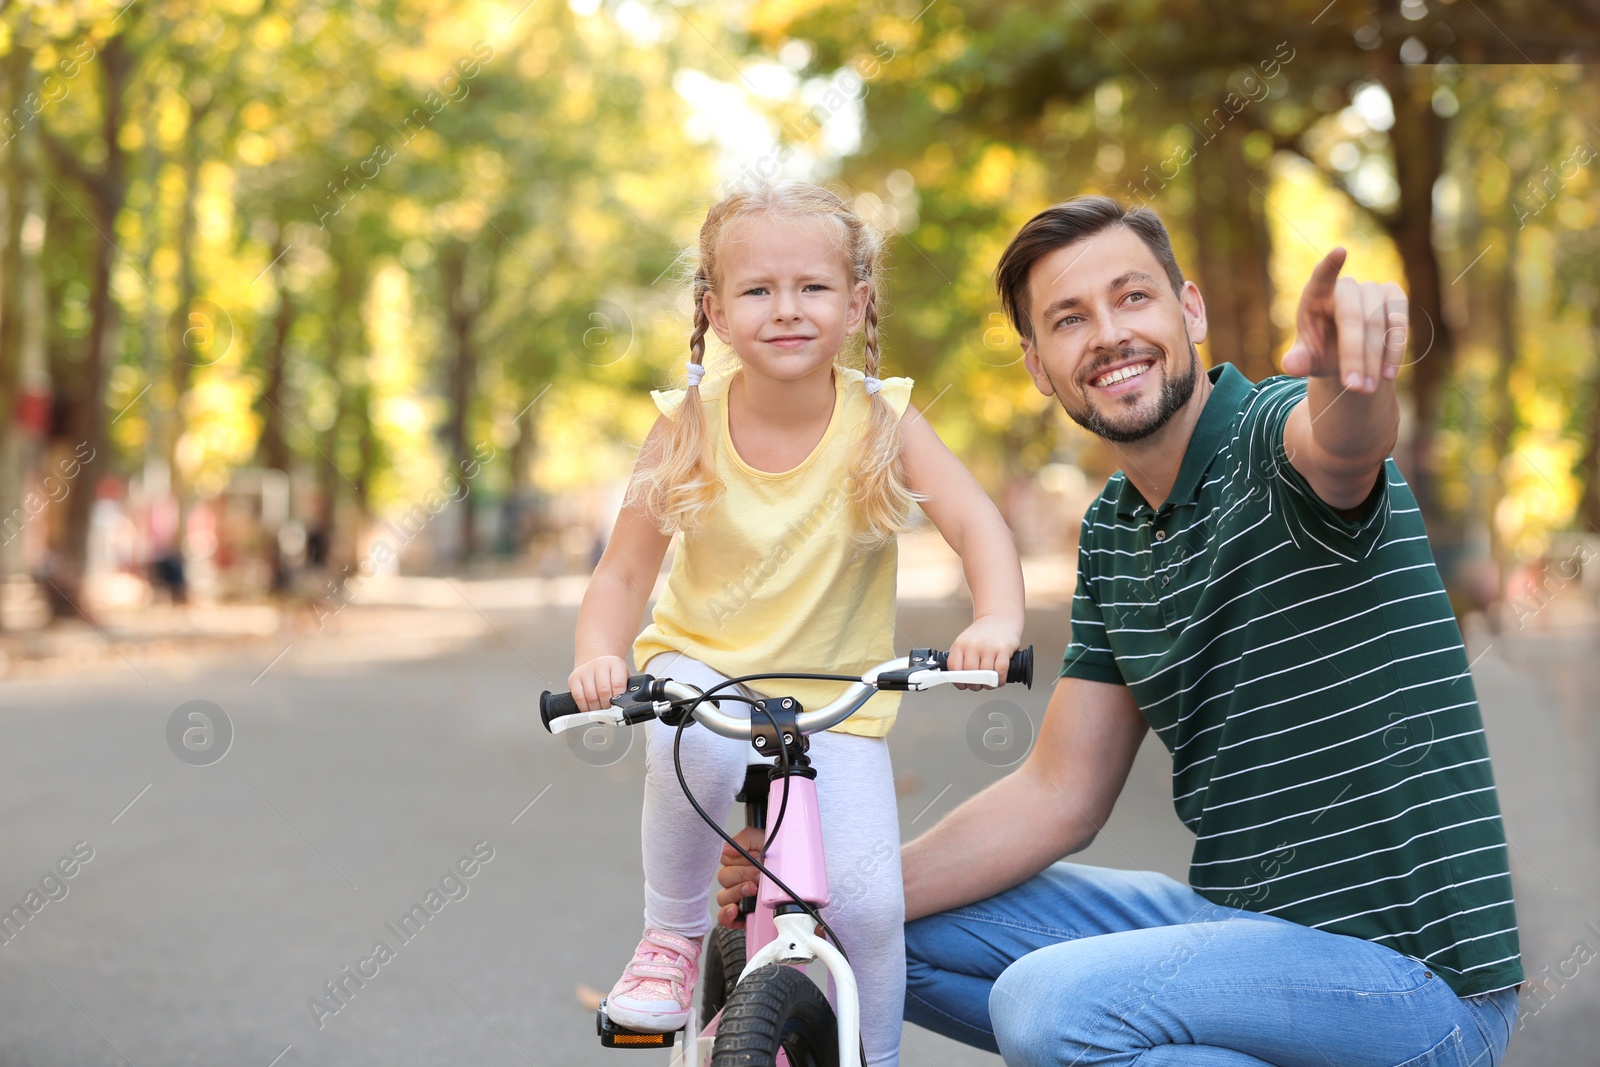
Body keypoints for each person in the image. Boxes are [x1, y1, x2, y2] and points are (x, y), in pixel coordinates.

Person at [717, 195, 1522, 1066]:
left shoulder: (1271, 436)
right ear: (1038, 363)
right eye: (1070, 318)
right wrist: (818, 889)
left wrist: (1351, 382)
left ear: (1191, 309)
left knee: (1049, 1002)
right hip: (1242, 933)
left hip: (1416, 987)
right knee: (875, 929)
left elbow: (1341, 447)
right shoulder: (1111, 530)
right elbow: (1059, 792)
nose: (1108, 333)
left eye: (1133, 298)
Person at [568, 181, 1025, 1067]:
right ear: (715, 311)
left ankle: (876, 1055)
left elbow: (977, 526)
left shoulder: (881, 420)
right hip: (705, 680)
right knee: (683, 738)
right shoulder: (685, 426)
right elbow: (624, 569)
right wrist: (598, 652)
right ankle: (672, 935)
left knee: (866, 906)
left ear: (856, 304)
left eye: (812, 288)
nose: (786, 310)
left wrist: (997, 619)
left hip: (835, 705)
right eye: (756, 291)